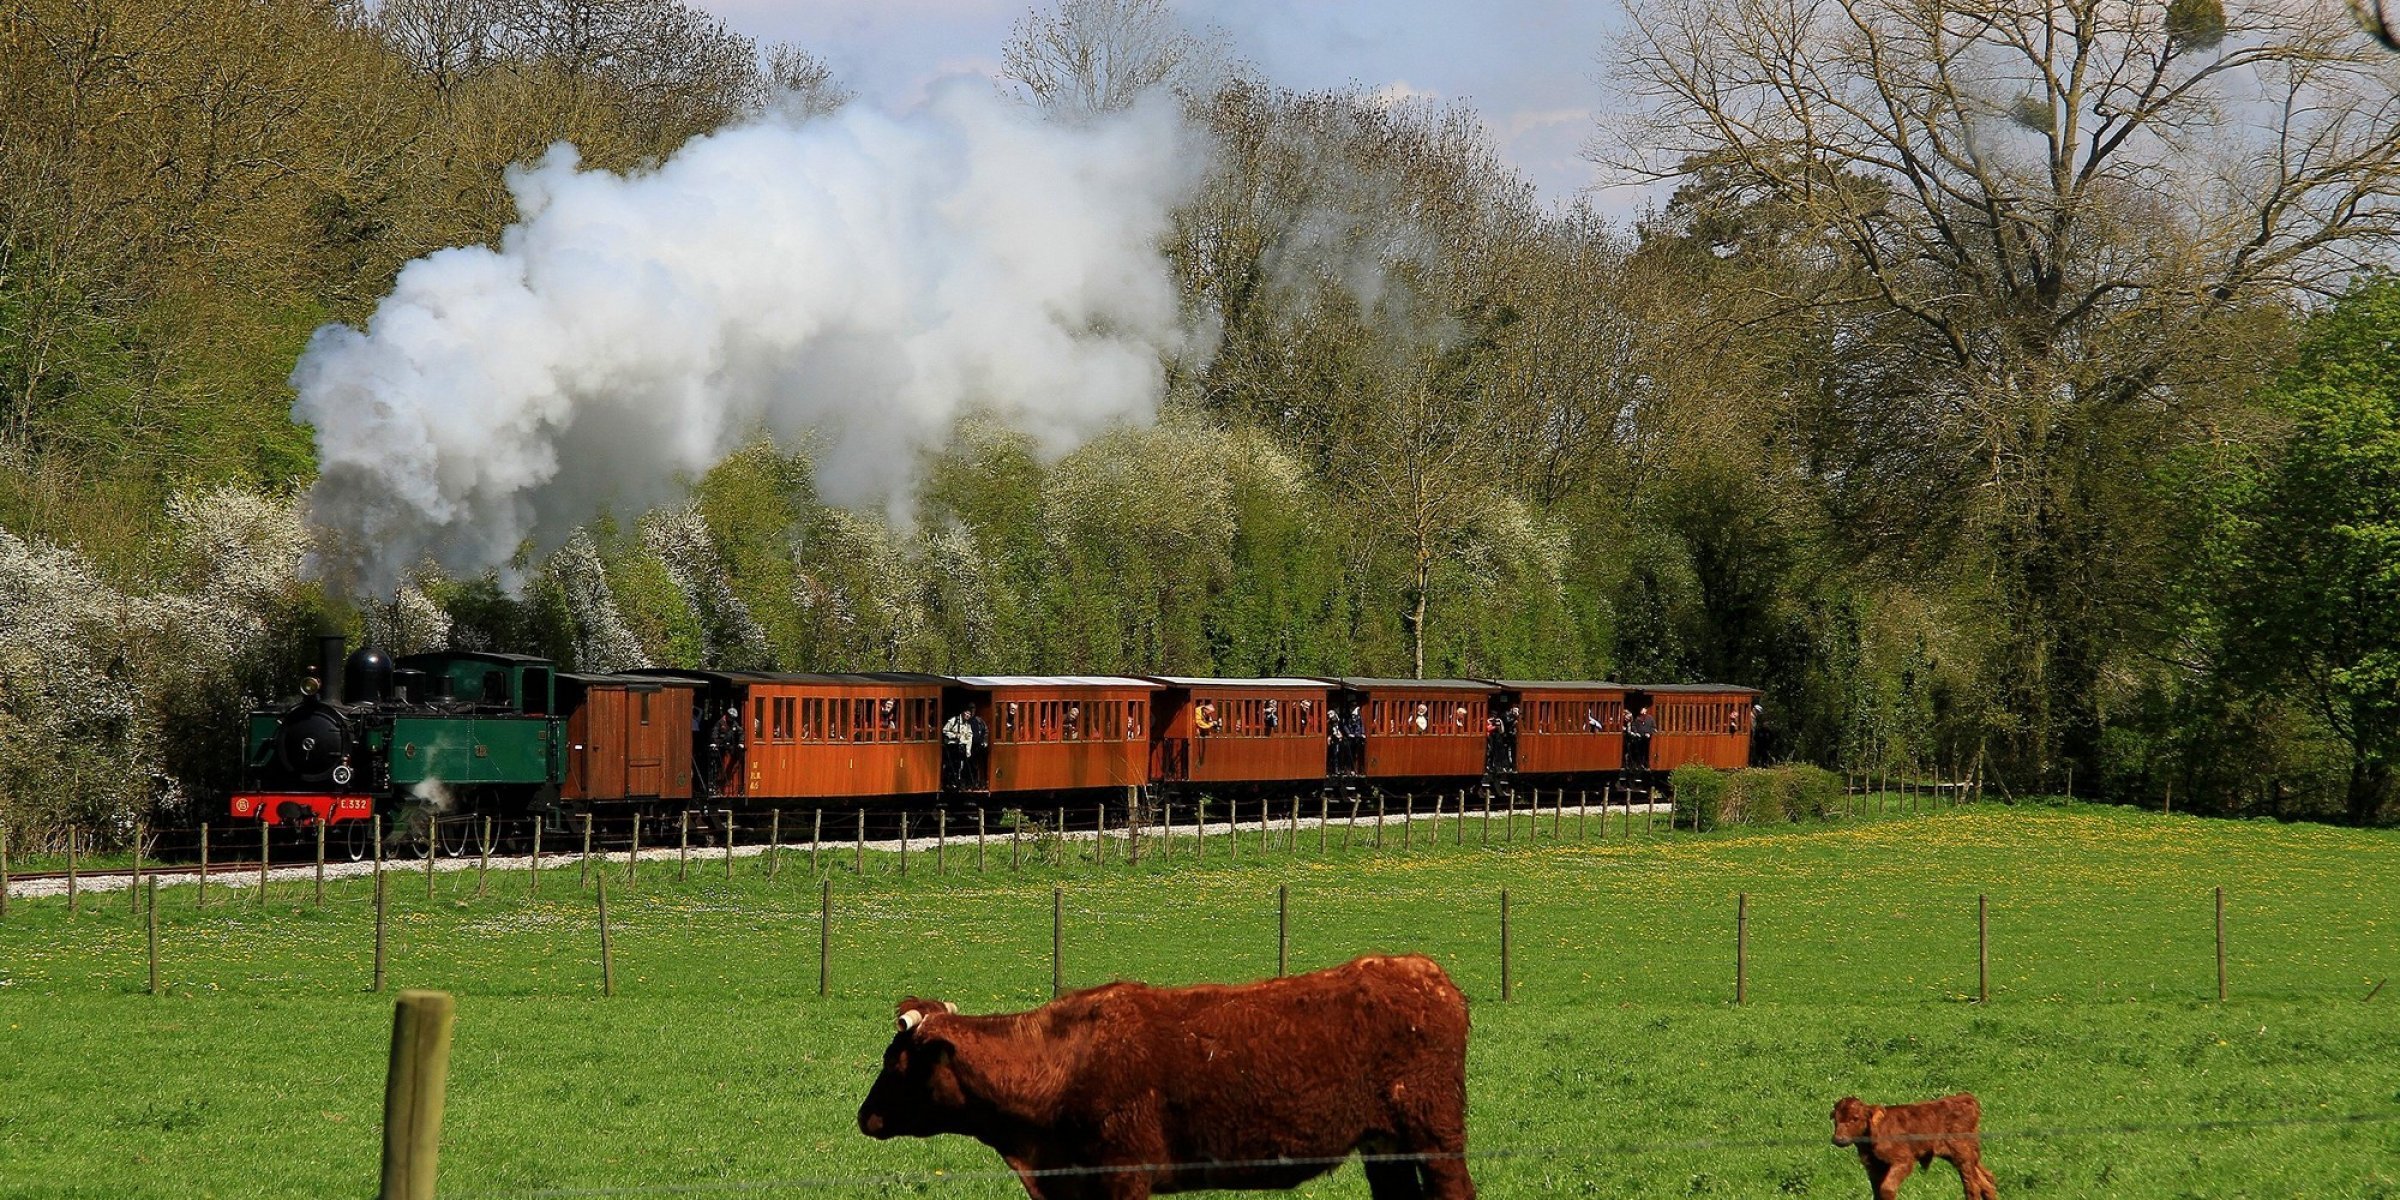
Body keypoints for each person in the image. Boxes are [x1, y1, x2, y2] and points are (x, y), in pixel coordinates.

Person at [965, 704, 989, 787]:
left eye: (973, 708)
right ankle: (970, 782)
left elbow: (985, 730)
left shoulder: (979, 720)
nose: (972, 711)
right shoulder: (966, 721)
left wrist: (985, 742)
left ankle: (981, 782)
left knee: (980, 765)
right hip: (969, 746)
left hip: (979, 745)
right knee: (970, 765)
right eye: (970, 708)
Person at [1627, 704, 1656, 772]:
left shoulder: (1650, 718)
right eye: (1641, 709)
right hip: (1639, 738)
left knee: (1646, 752)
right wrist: (1636, 732)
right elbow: (1634, 726)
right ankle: (1638, 764)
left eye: (1643, 709)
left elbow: (1653, 727)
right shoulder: (1637, 718)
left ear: (1645, 710)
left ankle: (1645, 764)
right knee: (1638, 751)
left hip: (1647, 739)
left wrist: (1649, 733)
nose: (1642, 710)